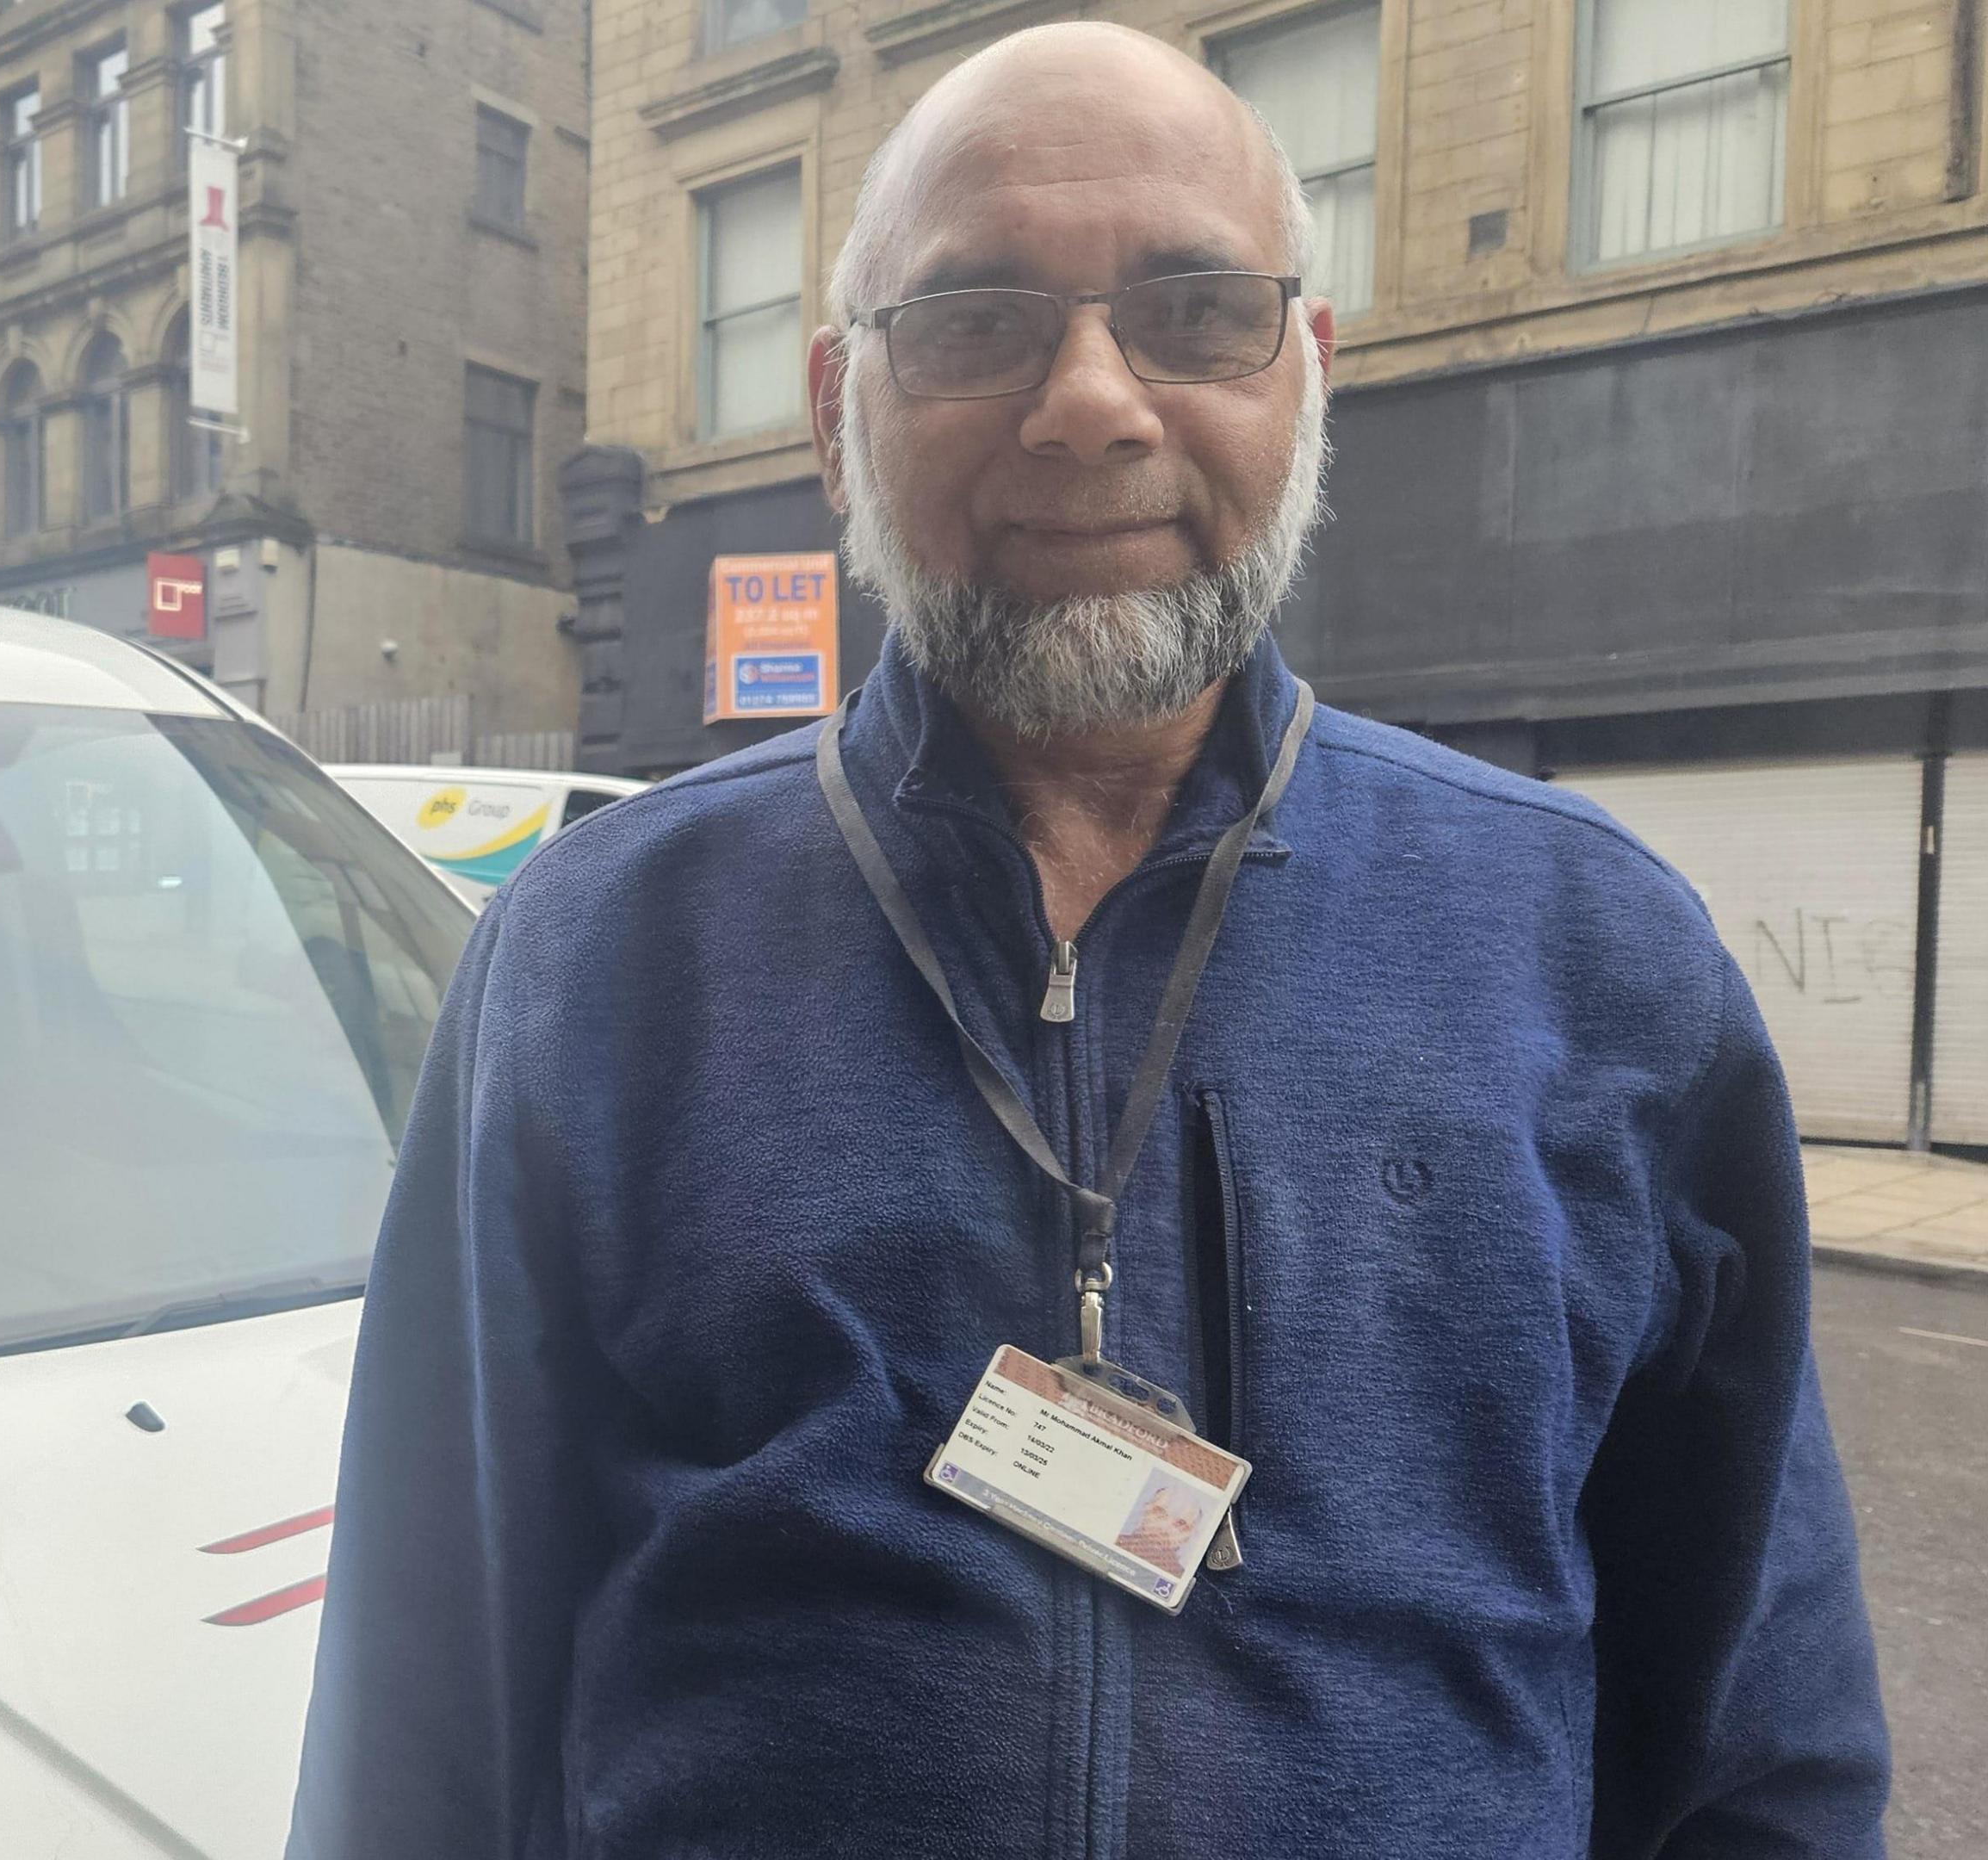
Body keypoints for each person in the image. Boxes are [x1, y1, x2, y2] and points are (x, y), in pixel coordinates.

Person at [288, 22, 1889, 1858]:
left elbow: (1762, 1750)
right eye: (975, 324)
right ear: (832, 412)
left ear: (1309, 375)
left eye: (1195, 311)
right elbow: (425, 1724)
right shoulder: (592, 964)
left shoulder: (1601, 960)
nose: (1090, 404)